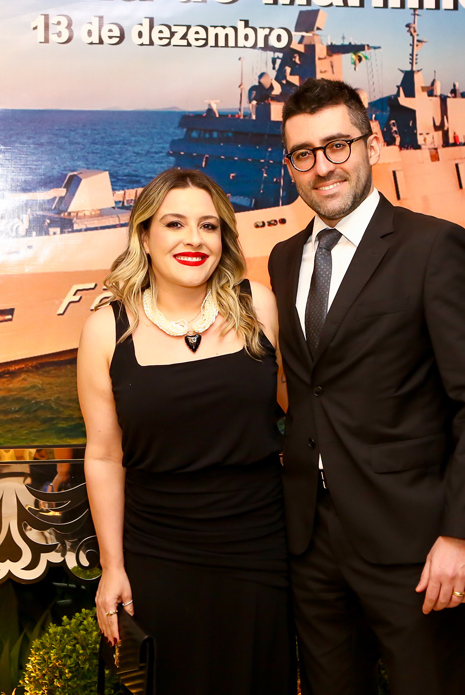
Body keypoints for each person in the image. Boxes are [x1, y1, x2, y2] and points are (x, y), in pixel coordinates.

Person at [267, 78, 465, 695]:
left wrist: (462, 535)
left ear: (370, 145)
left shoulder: (433, 246)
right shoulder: (284, 259)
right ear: (291, 166)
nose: (322, 166)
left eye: (337, 145)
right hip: (310, 542)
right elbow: (310, 389)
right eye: (303, 154)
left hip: (416, 544)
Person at [79, 167, 292, 695]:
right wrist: (112, 567)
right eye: (174, 224)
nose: (193, 239)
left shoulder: (257, 305)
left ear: (224, 238)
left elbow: (304, 410)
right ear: (144, 236)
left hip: (261, 548)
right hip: (159, 556)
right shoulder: (106, 329)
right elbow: (104, 456)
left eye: (208, 226)